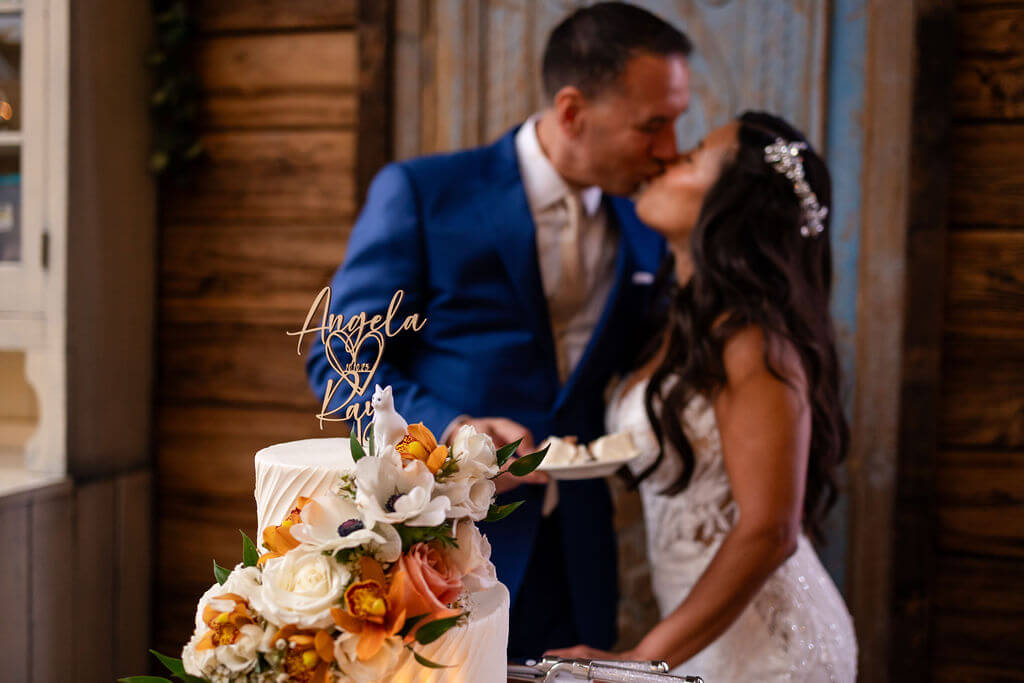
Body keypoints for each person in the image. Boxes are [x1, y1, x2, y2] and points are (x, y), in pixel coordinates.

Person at [306, 2, 691, 658]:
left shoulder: (648, 223)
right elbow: (339, 364)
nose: (669, 151)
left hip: (582, 553)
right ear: (572, 111)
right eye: (652, 126)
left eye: (676, 124)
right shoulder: (425, 193)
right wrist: (456, 436)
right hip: (441, 547)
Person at [547, 112, 858, 681]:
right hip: (702, 634)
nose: (666, 161)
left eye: (690, 158)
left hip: (768, 653)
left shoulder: (753, 340)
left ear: (728, 206)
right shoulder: (683, 320)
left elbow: (771, 530)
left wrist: (643, 660)